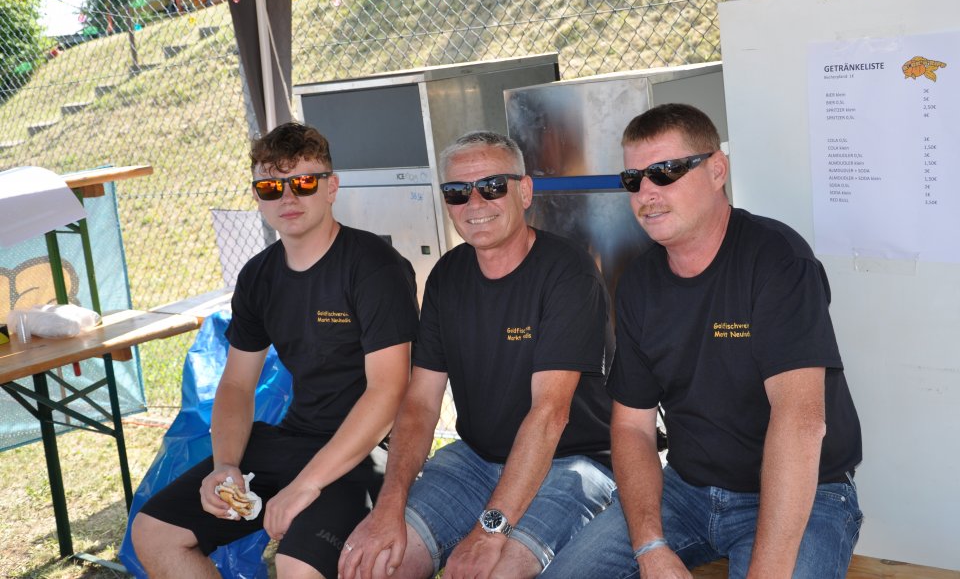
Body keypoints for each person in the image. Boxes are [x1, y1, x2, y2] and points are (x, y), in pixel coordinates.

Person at [541, 103, 863, 579]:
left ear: (717, 171)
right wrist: (650, 545)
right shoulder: (639, 282)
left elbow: (800, 422)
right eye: (633, 179)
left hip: (805, 493)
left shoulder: (776, 260)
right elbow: (632, 427)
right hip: (686, 492)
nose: (646, 192)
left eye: (665, 171)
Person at [131, 122, 419, 579]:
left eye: (303, 182)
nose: (288, 196)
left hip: (370, 448)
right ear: (257, 196)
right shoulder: (258, 276)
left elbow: (388, 391)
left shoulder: (373, 267)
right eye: (271, 186)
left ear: (331, 188)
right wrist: (225, 466)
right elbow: (236, 384)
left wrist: (307, 485)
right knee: (153, 532)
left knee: (296, 567)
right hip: (293, 437)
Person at [337, 131, 615, 579]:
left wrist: (490, 531)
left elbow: (549, 414)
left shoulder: (567, 273)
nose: (475, 203)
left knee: (494, 572)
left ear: (524, 192)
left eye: (492, 186)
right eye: (457, 192)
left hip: (568, 462)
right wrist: (389, 504)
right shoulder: (447, 275)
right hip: (475, 459)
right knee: (373, 564)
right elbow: (421, 403)